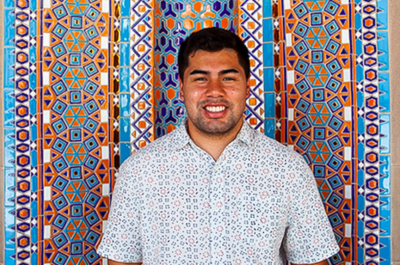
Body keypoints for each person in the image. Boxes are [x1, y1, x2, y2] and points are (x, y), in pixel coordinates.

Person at [97, 27, 339, 264]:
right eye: (200, 78)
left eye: (228, 78)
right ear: (181, 88)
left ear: (247, 87)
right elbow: (123, 260)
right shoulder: (139, 171)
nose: (214, 91)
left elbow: (310, 258)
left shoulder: (289, 169)